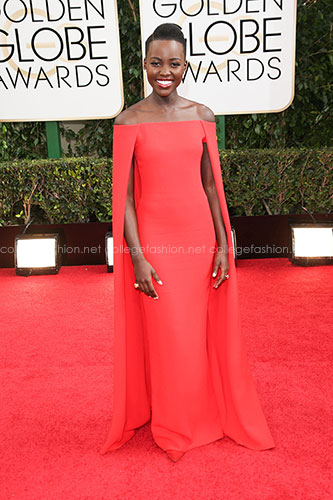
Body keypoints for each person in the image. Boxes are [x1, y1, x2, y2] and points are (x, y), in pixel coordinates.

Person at [100, 23, 275, 463]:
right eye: (156, 63)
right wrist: (136, 256)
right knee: (168, 332)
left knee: (198, 331)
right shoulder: (128, 121)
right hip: (157, 243)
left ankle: (204, 412)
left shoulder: (202, 115)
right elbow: (123, 198)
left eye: (173, 63)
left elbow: (212, 187)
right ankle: (174, 425)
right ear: (144, 65)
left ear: (186, 66)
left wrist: (222, 243)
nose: (165, 71)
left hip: (199, 239)